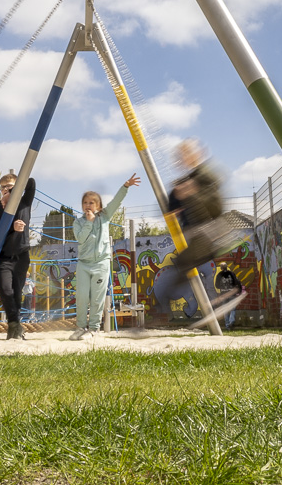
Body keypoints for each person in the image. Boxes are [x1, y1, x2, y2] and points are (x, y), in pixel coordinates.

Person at [152, 140, 246, 328]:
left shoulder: (206, 176)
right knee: (182, 264)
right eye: (180, 157)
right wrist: (176, 197)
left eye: (187, 154)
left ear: (198, 153)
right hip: (193, 235)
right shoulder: (183, 182)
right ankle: (163, 310)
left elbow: (217, 205)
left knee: (189, 264)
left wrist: (193, 192)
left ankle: (224, 296)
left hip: (210, 230)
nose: (183, 160)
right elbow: (169, 208)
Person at [69, 174, 139, 340]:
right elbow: (80, 239)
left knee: (97, 298)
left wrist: (125, 186)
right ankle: (81, 327)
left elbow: (116, 201)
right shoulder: (78, 222)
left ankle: (94, 329)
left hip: (101, 263)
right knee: (81, 297)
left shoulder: (105, 216)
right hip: (84, 264)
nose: (88, 205)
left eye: (91, 202)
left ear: (98, 206)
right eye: (85, 202)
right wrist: (89, 222)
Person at [0, 171, 36, 340]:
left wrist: (14, 192)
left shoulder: (24, 203)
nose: (5, 190)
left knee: (16, 292)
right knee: (5, 290)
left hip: (22, 255)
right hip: (3, 256)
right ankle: (14, 324)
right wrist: (11, 229)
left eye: (9, 187)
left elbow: (31, 183)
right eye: (2, 187)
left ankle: (14, 326)